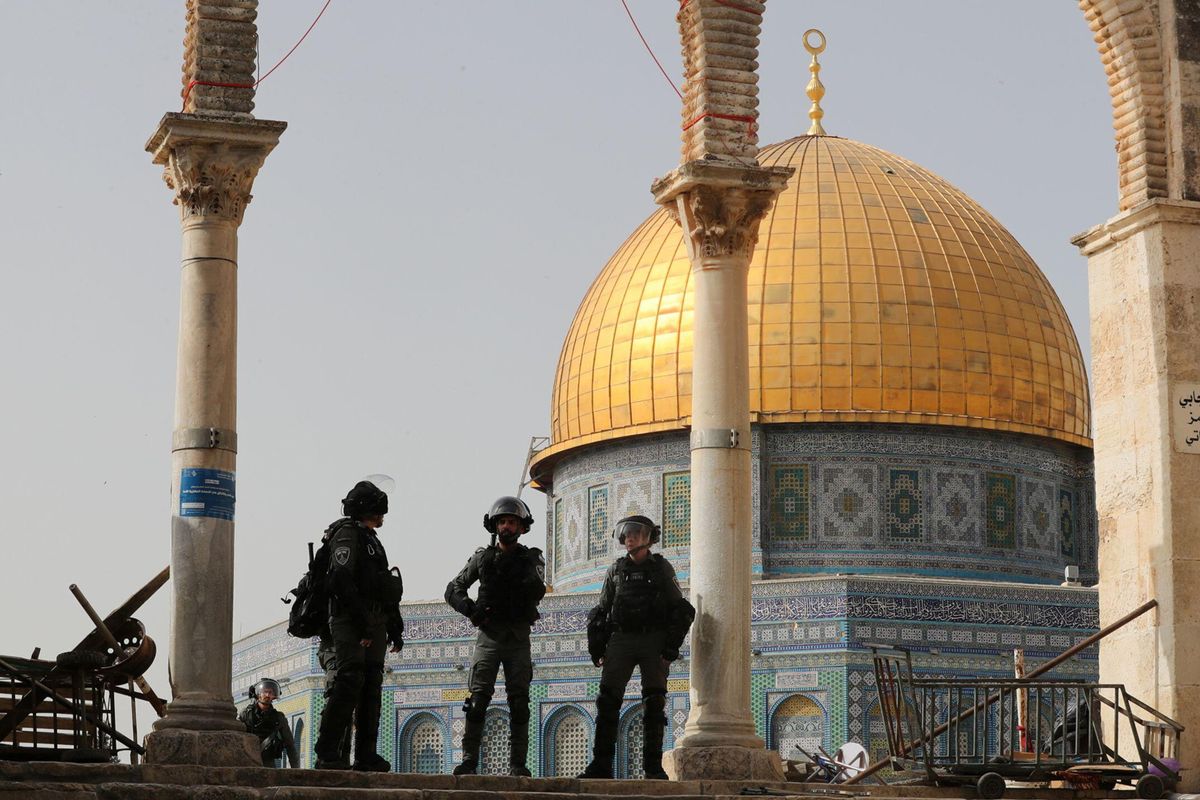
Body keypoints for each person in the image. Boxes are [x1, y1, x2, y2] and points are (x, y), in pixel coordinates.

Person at [579, 515, 694, 780]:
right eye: (626, 535)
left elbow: (682, 609)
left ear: (648, 538)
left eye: (635, 534)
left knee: (654, 703)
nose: (629, 539)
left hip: (652, 639)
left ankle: (652, 768)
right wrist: (597, 648)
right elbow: (601, 611)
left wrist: (670, 648)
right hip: (622, 640)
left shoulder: (661, 569)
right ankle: (601, 765)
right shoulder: (616, 571)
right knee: (608, 701)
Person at [445, 496, 546, 777]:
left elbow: (537, 590)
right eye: (502, 522)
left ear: (522, 527)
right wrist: (472, 611)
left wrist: (519, 576)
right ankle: (468, 761)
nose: (506, 527)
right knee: (477, 700)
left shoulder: (531, 559)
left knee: (519, 702)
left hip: (516, 637)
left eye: (512, 522)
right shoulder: (483, 558)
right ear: (494, 526)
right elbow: (453, 589)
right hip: (489, 636)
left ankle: (517, 764)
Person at [313, 480, 405, 771]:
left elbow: (383, 586)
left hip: (374, 621)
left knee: (371, 687)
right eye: (378, 509)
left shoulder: (371, 540)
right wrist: (362, 622)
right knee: (349, 681)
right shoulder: (347, 535)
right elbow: (341, 580)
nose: (382, 516)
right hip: (349, 620)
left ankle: (365, 755)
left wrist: (394, 625)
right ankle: (328, 751)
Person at [239, 678, 299, 768]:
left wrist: (296, 769)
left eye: (270, 692)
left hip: (268, 763)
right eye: (264, 692)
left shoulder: (278, 718)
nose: (267, 695)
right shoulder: (246, 714)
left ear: (274, 695)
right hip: (248, 761)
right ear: (257, 694)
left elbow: (290, 745)